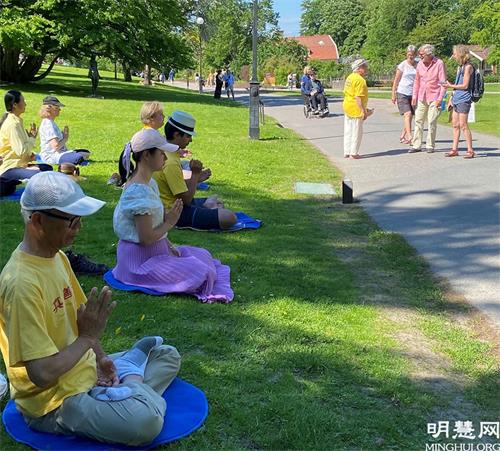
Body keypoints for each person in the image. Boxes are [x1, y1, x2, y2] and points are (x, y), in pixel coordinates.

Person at [0, 170, 181, 446]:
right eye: (72, 221)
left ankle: (126, 384)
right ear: (37, 221)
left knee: (168, 355)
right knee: (147, 422)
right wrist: (87, 339)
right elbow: (41, 373)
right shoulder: (21, 284)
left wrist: (100, 359)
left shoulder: (57, 257)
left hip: (82, 371)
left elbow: (79, 320)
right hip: (54, 401)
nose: (79, 228)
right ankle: (130, 389)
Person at [115, 128, 234, 302]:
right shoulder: (138, 192)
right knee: (202, 272)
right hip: (139, 263)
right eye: (161, 152)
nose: (164, 156)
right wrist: (170, 222)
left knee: (203, 255)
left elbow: (154, 229)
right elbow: (146, 238)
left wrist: (168, 244)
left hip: (155, 251)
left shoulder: (149, 182)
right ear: (147, 155)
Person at [154, 111, 237, 230]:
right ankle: (208, 209)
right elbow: (186, 200)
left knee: (216, 200)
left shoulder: (166, 151)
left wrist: (197, 178)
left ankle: (208, 208)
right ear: (177, 135)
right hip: (174, 213)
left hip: (170, 206)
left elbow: (173, 187)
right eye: (188, 136)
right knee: (229, 217)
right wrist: (195, 174)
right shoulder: (170, 161)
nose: (191, 140)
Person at [0, 90, 52, 197]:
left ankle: (22, 175)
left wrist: (29, 157)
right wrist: (32, 138)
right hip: (9, 168)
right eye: (23, 101)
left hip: (19, 164)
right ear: (15, 105)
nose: (25, 103)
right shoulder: (12, 125)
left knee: (47, 168)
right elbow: (21, 151)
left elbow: (22, 149)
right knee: (40, 174)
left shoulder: (17, 121)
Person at [38, 96, 91, 174]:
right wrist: (65, 138)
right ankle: (74, 157)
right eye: (57, 108)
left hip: (61, 152)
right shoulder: (48, 124)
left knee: (86, 152)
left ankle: (74, 156)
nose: (59, 109)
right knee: (78, 158)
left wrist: (62, 136)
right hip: (52, 156)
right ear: (49, 109)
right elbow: (55, 146)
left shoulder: (51, 122)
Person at [409, 44, 446, 154]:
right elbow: (417, 81)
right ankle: (416, 145)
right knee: (418, 120)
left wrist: (440, 98)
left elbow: (443, 83)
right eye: (419, 55)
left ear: (429, 54)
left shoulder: (439, 63)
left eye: (422, 55)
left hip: (434, 97)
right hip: (422, 96)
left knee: (431, 121)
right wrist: (414, 96)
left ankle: (430, 145)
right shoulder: (420, 64)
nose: (419, 57)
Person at [443, 45, 475, 159]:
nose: (454, 55)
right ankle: (454, 149)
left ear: (461, 54)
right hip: (457, 98)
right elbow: (457, 85)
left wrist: (450, 85)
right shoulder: (460, 67)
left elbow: (465, 85)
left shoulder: (468, 67)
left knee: (463, 125)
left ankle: (470, 150)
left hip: (464, 99)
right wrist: (451, 98)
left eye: (455, 53)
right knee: (455, 124)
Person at [343, 59, 371, 160]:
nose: (366, 69)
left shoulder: (350, 77)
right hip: (355, 108)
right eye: (365, 67)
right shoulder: (360, 80)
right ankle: (353, 153)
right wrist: (364, 111)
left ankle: (347, 151)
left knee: (348, 130)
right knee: (356, 131)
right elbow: (358, 98)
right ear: (359, 68)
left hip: (347, 105)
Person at [391, 45, 418, 144]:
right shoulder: (402, 65)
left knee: (410, 116)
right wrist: (393, 94)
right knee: (408, 114)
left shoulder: (418, 65)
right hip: (402, 92)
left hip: (414, 93)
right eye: (408, 54)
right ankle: (410, 136)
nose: (410, 56)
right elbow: (396, 80)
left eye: (412, 55)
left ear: (415, 55)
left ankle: (403, 135)